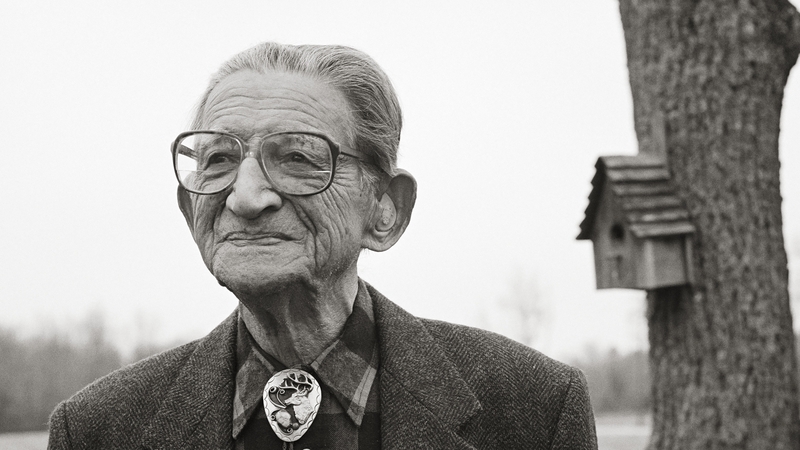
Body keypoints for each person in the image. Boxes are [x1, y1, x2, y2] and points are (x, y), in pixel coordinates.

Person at [47, 42, 597, 449]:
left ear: (384, 209)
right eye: (218, 160)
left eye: (298, 157)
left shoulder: (533, 409)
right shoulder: (97, 430)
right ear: (191, 208)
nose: (246, 196)